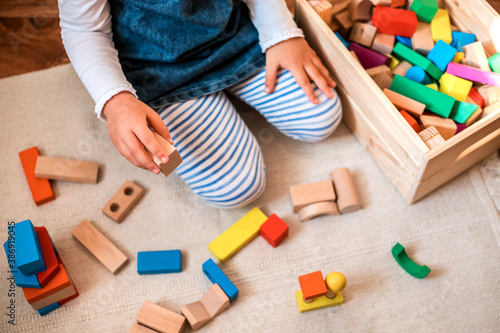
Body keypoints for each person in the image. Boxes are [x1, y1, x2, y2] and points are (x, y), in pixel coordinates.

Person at [58, 0, 342, 208]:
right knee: (235, 188)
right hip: (155, 75)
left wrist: (280, 33)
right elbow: (82, 31)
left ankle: (232, 85)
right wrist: (115, 100)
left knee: (323, 117)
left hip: (234, 40)